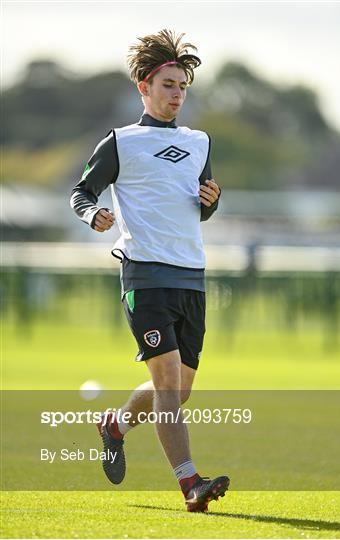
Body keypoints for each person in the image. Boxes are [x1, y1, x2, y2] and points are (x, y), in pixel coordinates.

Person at [70, 29, 229, 513]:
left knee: (178, 391)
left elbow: (199, 206)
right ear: (144, 86)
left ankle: (114, 426)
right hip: (144, 275)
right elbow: (82, 193)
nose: (177, 94)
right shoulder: (121, 142)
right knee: (165, 385)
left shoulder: (199, 141)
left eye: (182, 86)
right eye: (167, 85)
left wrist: (212, 201)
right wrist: (91, 214)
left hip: (191, 276)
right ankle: (191, 485)